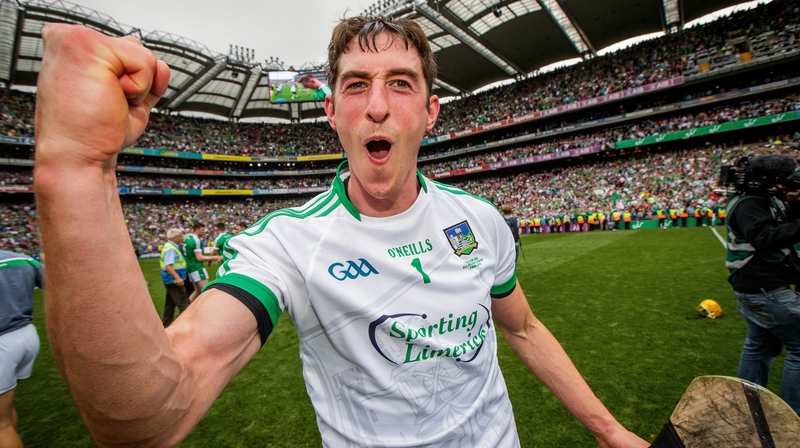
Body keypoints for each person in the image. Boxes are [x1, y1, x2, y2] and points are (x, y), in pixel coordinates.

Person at [33, 17, 647, 447]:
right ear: (331, 111)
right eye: (356, 85)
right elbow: (148, 419)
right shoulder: (287, 246)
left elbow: (524, 327)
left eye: (400, 83)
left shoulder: (479, 220)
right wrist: (78, 166)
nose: (377, 106)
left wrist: (608, 430)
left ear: (430, 113)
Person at [724, 152, 800, 415]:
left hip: (753, 286)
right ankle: (793, 417)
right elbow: (764, 237)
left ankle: (746, 408)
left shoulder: (758, 198)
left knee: (761, 344)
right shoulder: (750, 202)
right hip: (764, 287)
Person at [0, 250, 44, 447]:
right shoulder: (21, 258)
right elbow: (50, 285)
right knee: (5, 414)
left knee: (1, 426)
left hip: (3, 341)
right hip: (27, 334)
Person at [183, 221, 222, 302]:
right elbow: (199, 257)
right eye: (202, 230)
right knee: (206, 291)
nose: (203, 232)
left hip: (190, 267)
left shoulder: (188, 238)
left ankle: (185, 309)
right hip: (197, 267)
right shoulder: (196, 240)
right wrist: (215, 257)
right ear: (197, 229)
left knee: (197, 291)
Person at [160, 229, 190, 327]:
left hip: (169, 279)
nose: (182, 238)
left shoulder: (169, 247)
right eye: (180, 236)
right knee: (184, 303)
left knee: (170, 305)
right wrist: (177, 278)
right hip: (173, 280)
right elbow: (168, 265)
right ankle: (188, 325)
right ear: (175, 238)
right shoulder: (171, 249)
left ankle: (166, 325)